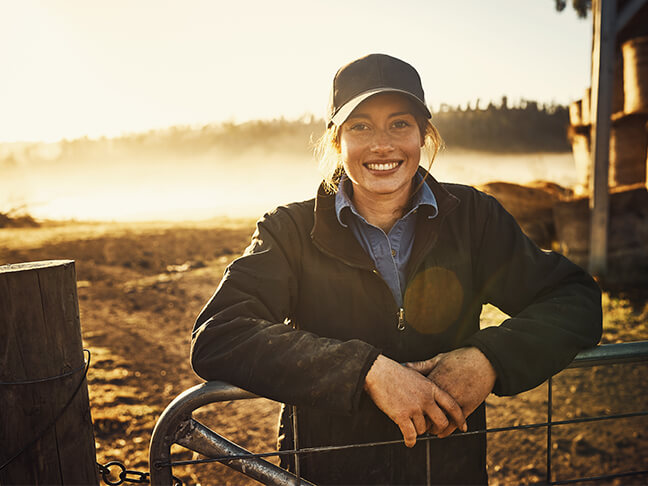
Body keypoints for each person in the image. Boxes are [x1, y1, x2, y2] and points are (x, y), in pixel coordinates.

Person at [190, 53, 602, 485]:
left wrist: (488, 358)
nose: (381, 144)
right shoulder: (290, 230)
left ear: (424, 134)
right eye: (361, 126)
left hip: (447, 473)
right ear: (338, 140)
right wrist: (364, 370)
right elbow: (221, 334)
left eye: (400, 124)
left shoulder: (472, 218)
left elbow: (573, 297)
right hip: (327, 475)